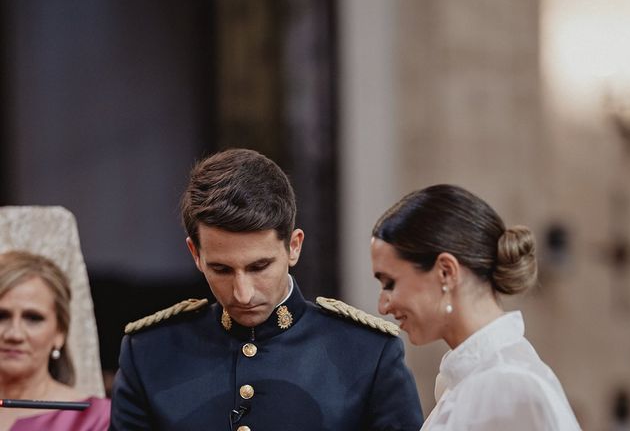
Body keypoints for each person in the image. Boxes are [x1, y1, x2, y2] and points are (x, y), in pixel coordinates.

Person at [109, 148, 423, 431]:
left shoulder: (367, 352)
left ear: (294, 247)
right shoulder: (149, 353)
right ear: (195, 254)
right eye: (222, 269)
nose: (243, 294)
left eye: (259, 267)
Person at [371, 184, 581, 431]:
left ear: (445, 272)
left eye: (390, 283)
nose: (383, 305)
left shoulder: (509, 387)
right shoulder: (471, 382)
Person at [0, 250, 110, 431]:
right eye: (2, 316)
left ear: (60, 332)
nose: (14, 334)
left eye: (33, 318)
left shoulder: (97, 419)